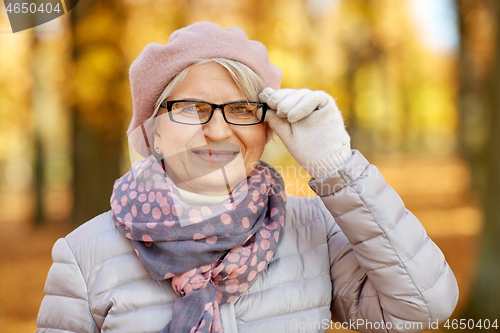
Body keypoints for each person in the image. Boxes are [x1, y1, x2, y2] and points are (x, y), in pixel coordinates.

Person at [36, 22, 458, 333]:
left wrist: (337, 167)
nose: (218, 131)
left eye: (241, 109)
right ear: (154, 133)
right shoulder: (83, 258)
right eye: (191, 108)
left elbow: (423, 306)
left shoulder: (314, 232)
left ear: (267, 127)